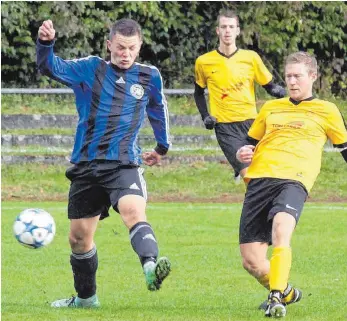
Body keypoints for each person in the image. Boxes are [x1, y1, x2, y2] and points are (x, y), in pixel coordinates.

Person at [36, 18, 172, 308]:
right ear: (109, 44)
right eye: (120, 47)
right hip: (86, 165)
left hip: (123, 163)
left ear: (139, 47)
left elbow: (158, 109)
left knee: (133, 211)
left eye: (131, 48)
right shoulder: (91, 68)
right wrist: (46, 44)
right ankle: (86, 300)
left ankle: (150, 266)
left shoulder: (149, 76)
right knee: (79, 239)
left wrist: (161, 147)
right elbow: (51, 67)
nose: (125, 53)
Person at [236, 51, 347, 318]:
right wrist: (243, 152)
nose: (292, 81)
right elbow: (249, 143)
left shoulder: (327, 110)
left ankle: (275, 298)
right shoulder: (271, 108)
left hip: (294, 179)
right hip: (260, 180)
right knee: (251, 261)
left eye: (297, 76)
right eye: (288, 76)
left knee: (281, 228)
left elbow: (344, 148)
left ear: (313, 76)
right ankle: (285, 291)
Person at [194, 9, 286, 184]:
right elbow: (198, 92)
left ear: (237, 30)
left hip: (252, 123)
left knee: (264, 175)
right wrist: (205, 116)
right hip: (225, 127)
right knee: (250, 178)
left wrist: (276, 90)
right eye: (223, 27)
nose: (227, 30)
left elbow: (268, 84)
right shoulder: (204, 61)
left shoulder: (251, 58)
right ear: (218, 31)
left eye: (231, 27)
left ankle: (264, 208)